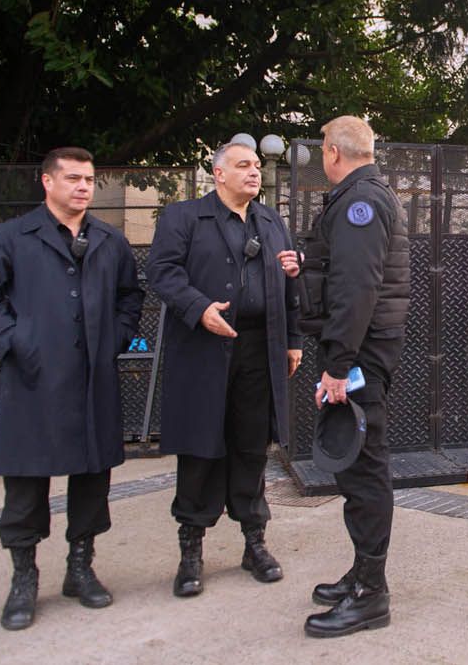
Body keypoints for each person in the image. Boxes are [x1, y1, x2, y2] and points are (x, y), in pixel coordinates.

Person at [0, 147, 144, 630]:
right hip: (32, 380)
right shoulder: (11, 238)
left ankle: (80, 568)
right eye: (72, 179)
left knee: (91, 478)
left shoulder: (110, 240)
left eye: (88, 179)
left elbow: (131, 296)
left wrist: (117, 339)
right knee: (25, 482)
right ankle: (24, 579)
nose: (83, 187)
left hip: (93, 379)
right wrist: (15, 341)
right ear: (47, 182)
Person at [146, 142, 304, 598]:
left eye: (257, 166)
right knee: (201, 449)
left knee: (252, 447)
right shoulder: (182, 218)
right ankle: (191, 550)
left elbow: (289, 282)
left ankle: (254, 542)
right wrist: (198, 308)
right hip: (203, 349)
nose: (254, 173)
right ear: (217, 174)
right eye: (243, 166)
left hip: (260, 351)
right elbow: (161, 271)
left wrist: (292, 339)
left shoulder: (272, 222)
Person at [290, 116, 410, 637]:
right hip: (359, 349)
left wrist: (340, 367)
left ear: (334, 152)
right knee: (355, 465)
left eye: (322, 148)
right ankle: (363, 573)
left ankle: (371, 595)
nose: (322, 156)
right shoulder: (361, 197)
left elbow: (357, 289)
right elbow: (340, 276)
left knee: (362, 467)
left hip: (359, 353)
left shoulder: (361, 202)